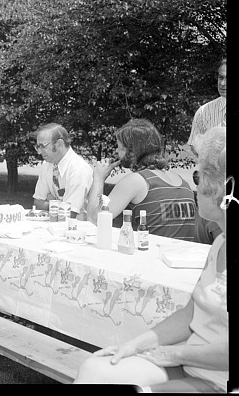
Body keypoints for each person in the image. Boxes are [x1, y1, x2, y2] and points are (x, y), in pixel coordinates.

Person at [74, 127, 229, 392]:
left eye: (199, 175)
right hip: (193, 364)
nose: (194, 184)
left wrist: (175, 355)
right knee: (95, 368)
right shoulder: (219, 243)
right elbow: (191, 313)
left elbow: (95, 216)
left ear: (221, 190)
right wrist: (137, 343)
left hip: (217, 379)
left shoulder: (135, 180)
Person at [86, 118, 197, 241]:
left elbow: (94, 219)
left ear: (133, 151)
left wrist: (98, 178)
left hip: (153, 256)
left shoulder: (136, 181)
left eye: (121, 148)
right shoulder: (183, 182)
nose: (117, 151)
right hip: (183, 255)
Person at [187, 57, 226, 245]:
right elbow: (197, 150)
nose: (223, 83)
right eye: (220, 78)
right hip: (208, 198)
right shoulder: (204, 112)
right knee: (204, 256)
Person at [32, 123, 93, 217]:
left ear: (59, 144)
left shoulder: (79, 170)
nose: (39, 152)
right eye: (38, 147)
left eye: (43, 146)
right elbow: (38, 203)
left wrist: (51, 202)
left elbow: (69, 214)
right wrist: (58, 206)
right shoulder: (47, 165)